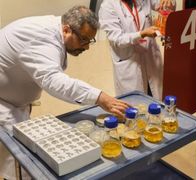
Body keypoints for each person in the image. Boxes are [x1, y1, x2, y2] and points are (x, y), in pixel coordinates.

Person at [0, 6, 129, 179]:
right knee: (18, 164)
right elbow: (54, 81)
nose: (86, 47)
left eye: (90, 41)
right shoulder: (41, 39)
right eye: (84, 40)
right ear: (67, 29)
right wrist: (100, 97)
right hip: (4, 104)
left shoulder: (55, 28)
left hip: (14, 99)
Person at [98, 0, 175, 100]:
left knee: (156, 100)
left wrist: (169, 2)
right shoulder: (108, 6)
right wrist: (142, 34)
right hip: (129, 63)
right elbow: (117, 39)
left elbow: (165, 6)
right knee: (135, 105)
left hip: (151, 57)